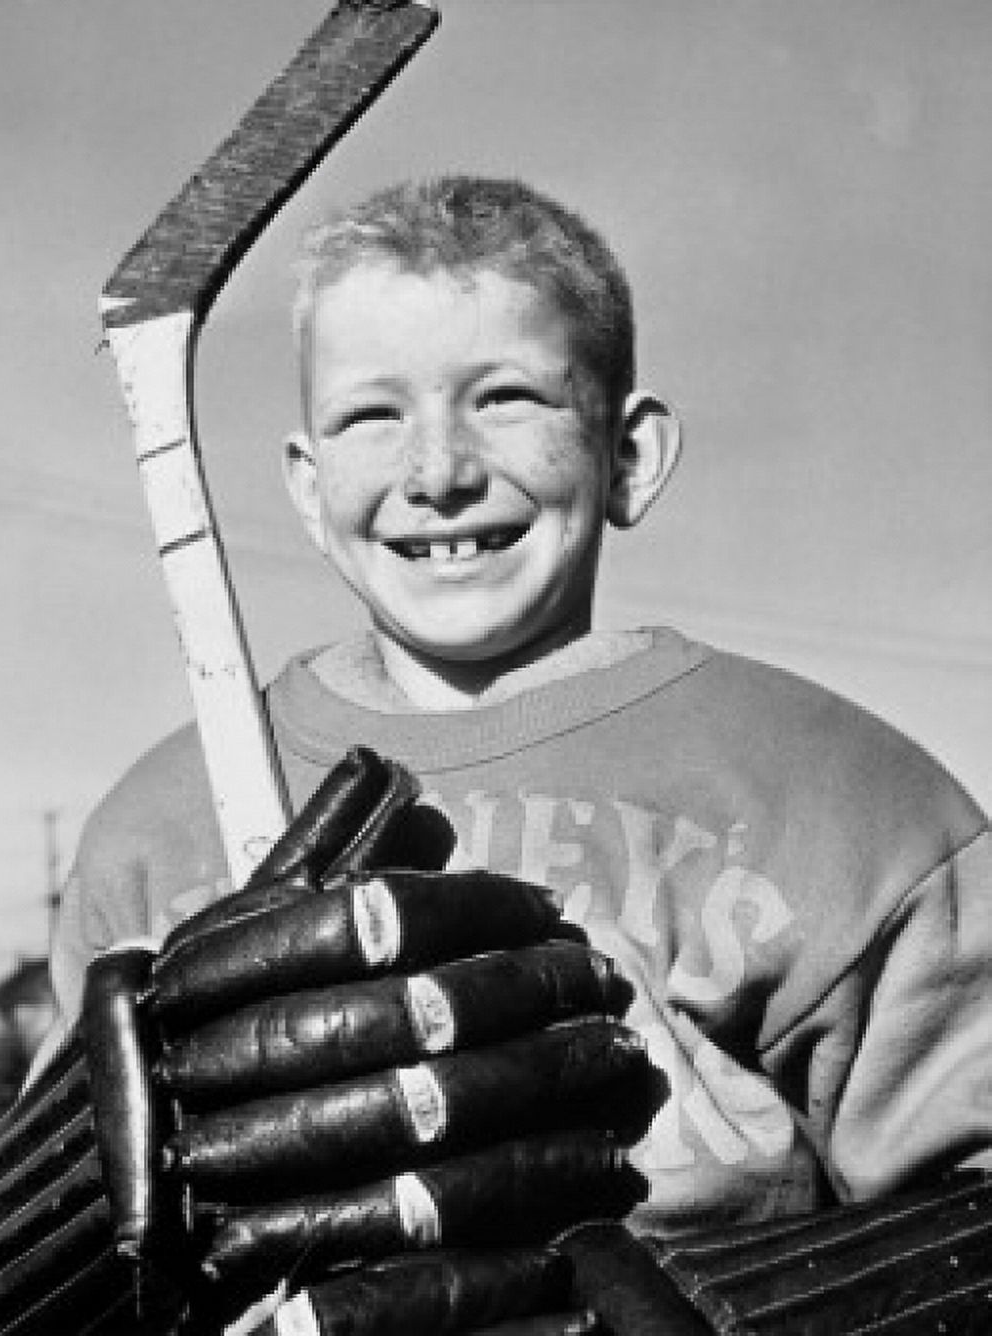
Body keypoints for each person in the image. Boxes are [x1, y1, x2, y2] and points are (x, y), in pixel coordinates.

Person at [50, 175, 992, 1240]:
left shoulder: (847, 802)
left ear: (628, 456)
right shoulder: (153, 830)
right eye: (371, 414)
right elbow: (54, 1231)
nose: (438, 471)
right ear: (308, 491)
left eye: (504, 398)